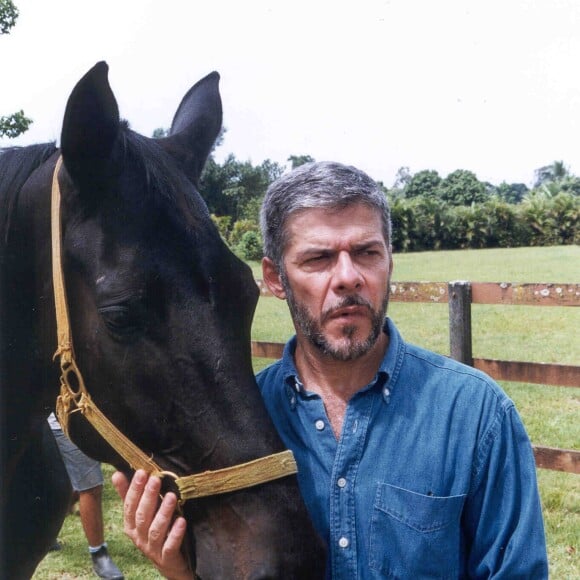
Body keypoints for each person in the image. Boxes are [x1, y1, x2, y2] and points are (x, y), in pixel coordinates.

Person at [112, 161, 548, 578]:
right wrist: (180, 572)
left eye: (366, 253)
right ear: (275, 278)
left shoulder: (475, 415)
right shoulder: (237, 423)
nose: (348, 277)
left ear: (389, 261)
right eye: (318, 258)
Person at [48, 413, 124, 580]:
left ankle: (48, 535)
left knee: (83, 486)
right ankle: (99, 554)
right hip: (62, 422)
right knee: (90, 486)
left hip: (82, 421)